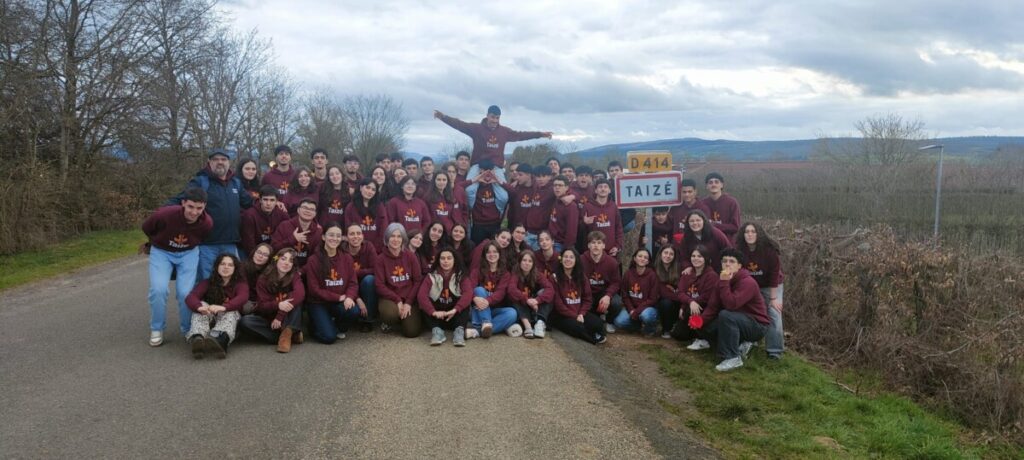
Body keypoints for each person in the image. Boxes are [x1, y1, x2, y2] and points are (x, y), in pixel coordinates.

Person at [165, 148, 252, 280]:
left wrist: (275, 203)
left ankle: (225, 302)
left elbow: (250, 203)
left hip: (230, 242)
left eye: (223, 159)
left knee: (228, 280)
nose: (220, 162)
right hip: (207, 244)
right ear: (209, 162)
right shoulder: (201, 182)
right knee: (207, 280)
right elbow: (180, 200)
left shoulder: (236, 183)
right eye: (215, 159)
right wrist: (163, 213)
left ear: (229, 162)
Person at [142, 188, 213, 346]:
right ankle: (157, 327)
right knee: (158, 289)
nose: (194, 212)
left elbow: (202, 237)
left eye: (199, 208)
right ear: (183, 203)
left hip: (188, 253)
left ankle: (188, 328)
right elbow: (147, 227)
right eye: (190, 207)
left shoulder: (207, 222)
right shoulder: (164, 214)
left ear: (204, 207)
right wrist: (156, 242)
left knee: (185, 293)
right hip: (162, 252)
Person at [688, 248, 770, 372]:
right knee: (704, 321)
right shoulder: (721, 280)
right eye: (724, 261)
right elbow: (713, 306)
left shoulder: (748, 282)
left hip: (757, 325)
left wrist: (725, 282)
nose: (727, 264)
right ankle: (738, 345)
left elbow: (731, 304)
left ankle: (733, 358)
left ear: (739, 266)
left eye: (732, 261)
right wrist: (700, 321)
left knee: (726, 315)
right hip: (736, 320)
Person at [434, 105, 552, 180]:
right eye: (493, 117)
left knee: (503, 196)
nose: (495, 120)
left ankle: (498, 218)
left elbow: (521, 135)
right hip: (477, 165)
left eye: (497, 118)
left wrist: (540, 134)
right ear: (487, 116)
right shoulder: (477, 129)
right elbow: (460, 125)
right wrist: (443, 117)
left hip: (496, 167)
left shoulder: (504, 132)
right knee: (469, 191)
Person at [303, 223, 360, 344]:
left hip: (338, 302)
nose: (334, 238)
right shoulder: (313, 260)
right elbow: (314, 289)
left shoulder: (347, 258)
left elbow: (353, 283)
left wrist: (349, 297)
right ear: (323, 237)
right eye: (331, 235)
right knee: (329, 338)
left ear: (341, 238)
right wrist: (338, 297)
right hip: (318, 303)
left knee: (354, 310)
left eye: (338, 236)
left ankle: (336, 326)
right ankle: (314, 326)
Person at [240, 248, 305, 353]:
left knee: (295, 302)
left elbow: (300, 294)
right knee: (245, 321)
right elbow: (262, 305)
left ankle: (286, 335)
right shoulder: (263, 279)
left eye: (290, 261)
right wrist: (278, 305)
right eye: (283, 259)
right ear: (276, 259)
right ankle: (289, 335)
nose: (286, 263)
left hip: (287, 316)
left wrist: (280, 315)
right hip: (269, 318)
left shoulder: (294, 276)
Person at [185, 253, 247, 359]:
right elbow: (191, 297)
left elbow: (242, 298)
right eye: (222, 264)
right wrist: (199, 307)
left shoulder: (240, 284)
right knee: (201, 305)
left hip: (229, 322)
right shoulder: (207, 282)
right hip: (210, 318)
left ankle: (220, 341)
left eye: (230, 265)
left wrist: (224, 307)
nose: (226, 267)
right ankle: (198, 339)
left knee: (231, 312)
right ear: (217, 266)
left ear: (235, 269)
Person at [738, 222, 785, 360]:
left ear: (759, 234)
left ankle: (774, 351)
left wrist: (773, 298)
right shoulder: (740, 250)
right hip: (751, 286)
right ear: (743, 234)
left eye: (753, 231)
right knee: (749, 312)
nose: (750, 234)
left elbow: (774, 274)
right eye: (747, 231)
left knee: (773, 313)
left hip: (771, 285)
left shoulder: (769, 250)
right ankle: (752, 340)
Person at [374, 223, 424, 337]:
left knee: (412, 332)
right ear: (387, 238)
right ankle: (390, 321)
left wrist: (408, 303)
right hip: (390, 298)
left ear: (403, 239)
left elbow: (417, 280)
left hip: (409, 297)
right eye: (392, 236)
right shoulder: (380, 259)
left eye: (399, 236)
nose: (395, 239)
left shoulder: (410, 256)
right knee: (390, 314)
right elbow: (379, 285)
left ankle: (404, 319)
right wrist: (397, 300)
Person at [551, 248, 606, 345]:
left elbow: (587, 299)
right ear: (561, 259)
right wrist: (575, 316)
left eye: (571, 257)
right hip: (562, 315)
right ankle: (592, 338)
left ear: (576, 260)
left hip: (579, 313)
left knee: (598, 323)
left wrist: (581, 313)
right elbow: (557, 304)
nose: (568, 259)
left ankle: (592, 333)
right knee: (577, 327)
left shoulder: (581, 277)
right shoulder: (555, 278)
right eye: (565, 257)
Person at [464, 242, 518, 339]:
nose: (492, 255)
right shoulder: (477, 271)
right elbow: (469, 288)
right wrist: (475, 298)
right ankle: (486, 322)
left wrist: (488, 301)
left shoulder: (505, 274)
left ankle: (477, 331)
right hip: (476, 310)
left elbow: (501, 293)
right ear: (485, 255)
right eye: (488, 252)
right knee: (479, 290)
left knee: (512, 313)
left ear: (499, 254)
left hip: (494, 309)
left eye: (495, 252)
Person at [418, 248, 471, 346]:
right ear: (438, 260)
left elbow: (468, 293)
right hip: (437, 316)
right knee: (424, 304)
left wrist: (455, 309)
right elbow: (421, 296)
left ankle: (459, 332)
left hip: (454, 315)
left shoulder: (461, 275)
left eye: (449, 258)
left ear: (454, 260)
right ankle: (437, 332)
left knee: (464, 304)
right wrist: (433, 312)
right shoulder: (431, 276)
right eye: (442, 258)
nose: (445, 261)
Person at [671, 245, 720, 346]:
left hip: (703, 309)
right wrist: (686, 304)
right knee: (678, 335)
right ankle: (694, 333)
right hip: (689, 306)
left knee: (693, 309)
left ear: (705, 258)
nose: (696, 258)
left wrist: (690, 304)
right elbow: (680, 293)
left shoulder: (712, 275)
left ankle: (702, 337)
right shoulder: (687, 273)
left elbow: (706, 297)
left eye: (699, 256)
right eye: (693, 256)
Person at [580, 231, 623, 333]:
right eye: (593, 242)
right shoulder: (580, 260)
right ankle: (596, 318)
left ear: (604, 245)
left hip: (603, 293)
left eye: (599, 243)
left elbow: (616, 282)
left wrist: (608, 295)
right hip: (587, 294)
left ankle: (609, 321)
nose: (596, 246)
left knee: (616, 302)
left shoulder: (612, 262)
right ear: (588, 245)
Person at [507, 250, 554, 338]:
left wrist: (537, 301)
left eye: (530, 261)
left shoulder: (537, 274)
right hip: (521, 306)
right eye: (524, 260)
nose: (527, 263)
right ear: (520, 262)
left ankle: (539, 323)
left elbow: (550, 288)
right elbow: (511, 289)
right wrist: (527, 300)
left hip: (534, 306)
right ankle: (527, 325)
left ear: (533, 263)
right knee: (513, 297)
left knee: (548, 294)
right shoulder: (515, 273)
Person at [614, 248, 661, 336]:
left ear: (648, 261)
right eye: (640, 256)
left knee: (646, 316)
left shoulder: (652, 275)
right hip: (632, 307)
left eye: (645, 257)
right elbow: (625, 295)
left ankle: (650, 329)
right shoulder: (628, 274)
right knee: (618, 322)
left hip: (648, 308)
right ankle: (637, 325)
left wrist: (637, 311)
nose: (642, 259)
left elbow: (653, 299)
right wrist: (631, 310)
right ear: (634, 258)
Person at [342, 223, 378, 332]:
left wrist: (354, 273)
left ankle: (367, 320)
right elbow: (343, 276)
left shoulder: (368, 247)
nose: (355, 236)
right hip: (347, 286)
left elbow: (375, 269)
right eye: (352, 234)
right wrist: (357, 298)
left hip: (365, 285)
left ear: (362, 236)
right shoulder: (342, 250)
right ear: (346, 237)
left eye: (358, 233)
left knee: (369, 280)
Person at [239, 185, 289, 258]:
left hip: (274, 253)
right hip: (254, 254)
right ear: (260, 200)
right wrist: (259, 257)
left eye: (272, 200)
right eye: (265, 199)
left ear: (277, 201)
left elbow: (286, 235)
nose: (268, 203)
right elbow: (249, 243)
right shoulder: (250, 215)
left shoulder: (282, 213)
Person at [271, 198, 323, 267]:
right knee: (272, 262)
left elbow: (316, 258)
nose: (308, 211)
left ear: (315, 214)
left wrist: (301, 272)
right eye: (305, 208)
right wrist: (293, 239)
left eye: (311, 209)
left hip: (304, 271)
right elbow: (274, 248)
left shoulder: (318, 232)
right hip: (282, 266)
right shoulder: (284, 225)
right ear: (298, 210)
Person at [467, 159, 509, 245]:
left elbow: (508, 195)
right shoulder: (474, 187)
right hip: (478, 225)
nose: (487, 173)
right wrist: (476, 179)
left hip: (494, 224)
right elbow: (467, 190)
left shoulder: (497, 187)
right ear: (479, 171)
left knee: (495, 250)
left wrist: (498, 180)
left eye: (490, 170)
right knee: (478, 250)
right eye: (484, 170)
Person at [581, 178, 624, 256]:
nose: (603, 189)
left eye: (605, 187)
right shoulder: (587, 206)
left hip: (611, 250)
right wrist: (585, 223)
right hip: (593, 250)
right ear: (596, 190)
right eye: (600, 187)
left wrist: (618, 246)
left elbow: (619, 228)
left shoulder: (613, 206)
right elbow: (580, 231)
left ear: (609, 190)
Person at [344, 178, 388, 249]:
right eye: (367, 187)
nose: (370, 191)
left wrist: (374, 248)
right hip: (356, 248)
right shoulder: (350, 207)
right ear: (361, 188)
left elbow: (383, 229)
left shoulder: (380, 207)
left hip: (376, 249)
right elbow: (348, 229)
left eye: (373, 190)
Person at [653, 245, 682, 338]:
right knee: (666, 303)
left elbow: (682, 288)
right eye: (665, 253)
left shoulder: (678, 269)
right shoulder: (654, 269)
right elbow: (661, 291)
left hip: (676, 301)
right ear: (660, 254)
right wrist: (677, 294)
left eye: (671, 254)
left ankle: (677, 325)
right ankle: (666, 329)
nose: (668, 256)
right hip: (659, 301)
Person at [702, 172, 741, 241]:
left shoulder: (732, 203)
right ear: (707, 186)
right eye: (710, 182)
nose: (713, 184)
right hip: (708, 244)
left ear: (722, 185)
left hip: (727, 244)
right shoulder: (702, 203)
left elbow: (735, 227)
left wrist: (712, 226)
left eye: (716, 182)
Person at [548, 175, 579, 252]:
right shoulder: (556, 199)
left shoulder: (571, 206)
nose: (557, 187)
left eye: (560, 185)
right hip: (551, 241)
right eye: (555, 185)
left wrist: (566, 249)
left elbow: (571, 232)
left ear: (567, 188)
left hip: (561, 245)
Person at [241, 243, 273, 314]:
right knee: (245, 307)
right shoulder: (243, 267)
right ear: (254, 252)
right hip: (246, 299)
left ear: (269, 259)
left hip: (262, 301)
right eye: (259, 252)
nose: (260, 256)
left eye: (265, 255)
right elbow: (243, 291)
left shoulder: (270, 272)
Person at [607, 161, 637, 233]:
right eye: (611, 171)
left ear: (621, 171)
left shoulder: (628, 182)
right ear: (608, 173)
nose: (614, 172)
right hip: (611, 218)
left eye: (617, 170)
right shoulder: (606, 184)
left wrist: (625, 178)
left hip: (626, 220)